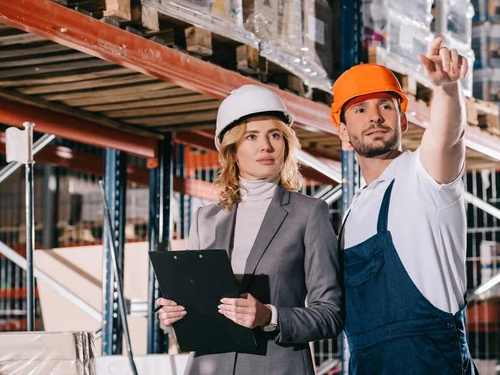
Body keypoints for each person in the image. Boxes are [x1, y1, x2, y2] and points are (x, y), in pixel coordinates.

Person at [156, 84, 343, 375]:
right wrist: (173, 315)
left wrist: (270, 317)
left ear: (286, 144)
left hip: (277, 368)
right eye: (251, 136)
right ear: (232, 149)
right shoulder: (203, 220)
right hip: (209, 367)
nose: (266, 146)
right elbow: (196, 309)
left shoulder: (309, 213)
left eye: (274, 135)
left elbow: (330, 315)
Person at [332, 37, 478, 374]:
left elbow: (448, 136)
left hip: (429, 362)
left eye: (385, 106)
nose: (375, 117)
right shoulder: (352, 214)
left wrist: (446, 88)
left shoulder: (424, 177)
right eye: (360, 109)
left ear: (404, 121)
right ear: (342, 132)